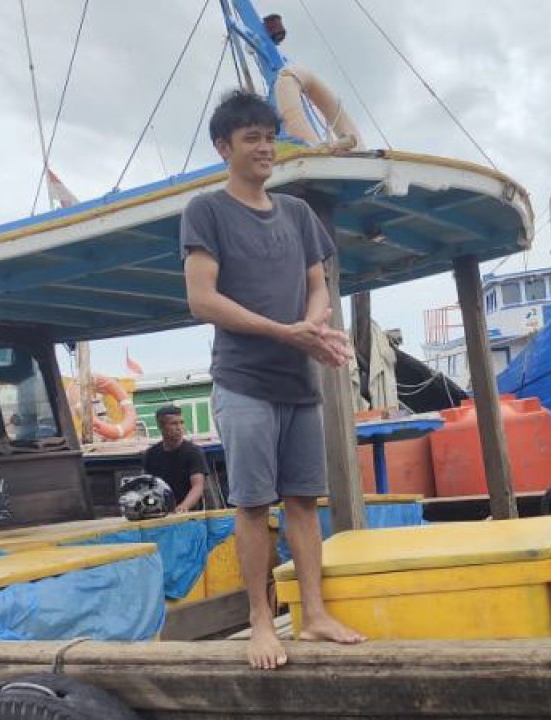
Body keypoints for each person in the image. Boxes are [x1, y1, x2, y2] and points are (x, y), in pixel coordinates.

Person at [181, 89, 365, 670]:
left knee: (305, 503)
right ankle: (262, 621)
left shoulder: (298, 214)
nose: (265, 147)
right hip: (243, 384)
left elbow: (318, 286)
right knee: (255, 504)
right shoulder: (206, 211)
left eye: (269, 136)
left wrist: (312, 327)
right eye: (251, 138)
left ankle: (313, 615)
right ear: (224, 147)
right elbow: (201, 299)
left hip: (297, 383)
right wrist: (286, 333)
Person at [140, 406, 209, 514]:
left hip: (189, 516)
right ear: (161, 426)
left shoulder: (194, 452)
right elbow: (145, 486)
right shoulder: (150, 454)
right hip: (159, 515)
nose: (179, 427)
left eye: (181, 422)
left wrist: (184, 506)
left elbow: (198, 485)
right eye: (174, 423)